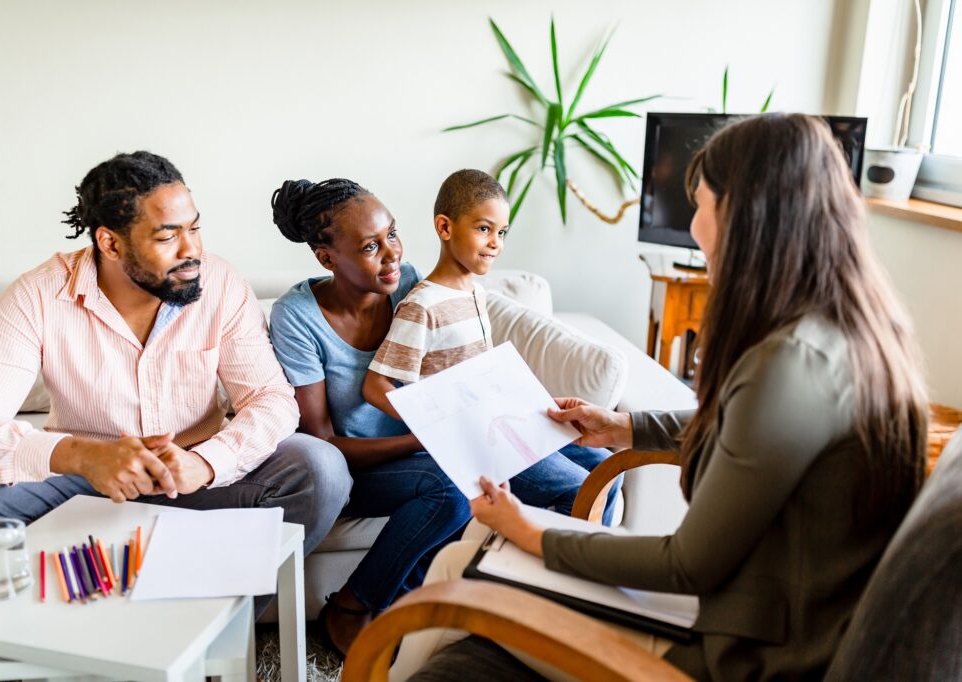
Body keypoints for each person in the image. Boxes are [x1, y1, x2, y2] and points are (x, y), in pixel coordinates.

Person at [391, 113, 929, 681]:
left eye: (702, 205)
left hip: (733, 651)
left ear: (750, 217)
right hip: (751, 612)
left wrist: (534, 531)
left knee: (462, 567)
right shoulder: (842, 331)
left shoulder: (787, 365)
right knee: (466, 556)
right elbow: (746, 427)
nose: (695, 228)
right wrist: (626, 427)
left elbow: (686, 563)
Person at [0, 151, 352, 569]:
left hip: (195, 474)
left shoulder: (220, 284)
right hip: (83, 478)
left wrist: (206, 463)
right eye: (168, 236)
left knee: (321, 469)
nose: (193, 250)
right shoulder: (38, 296)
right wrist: (83, 457)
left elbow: (270, 398)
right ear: (110, 243)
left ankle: (205, 621)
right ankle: (59, 627)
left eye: (194, 228)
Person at [268, 177, 610, 658]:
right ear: (327, 259)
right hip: (362, 467)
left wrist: (537, 406)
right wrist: (421, 439)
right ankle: (350, 605)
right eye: (370, 246)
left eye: (392, 233)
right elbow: (322, 442)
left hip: (443, 443)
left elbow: (466, 363)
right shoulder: (296, 317)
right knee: (450, 486)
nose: (391, 254)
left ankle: (537, 602)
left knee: (602, 463)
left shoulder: (409, 284)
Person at [362, 169, 615, 520]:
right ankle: (556, 570)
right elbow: (375, 386)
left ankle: (590, 566)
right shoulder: (422, 305)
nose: (496, 242)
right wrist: (434, 424)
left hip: (502, 424)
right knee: (580, 486)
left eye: (502, 232)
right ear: (445, 228)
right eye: (484, 229)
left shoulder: (478, 293)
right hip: (475, 444)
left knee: (608, 469)